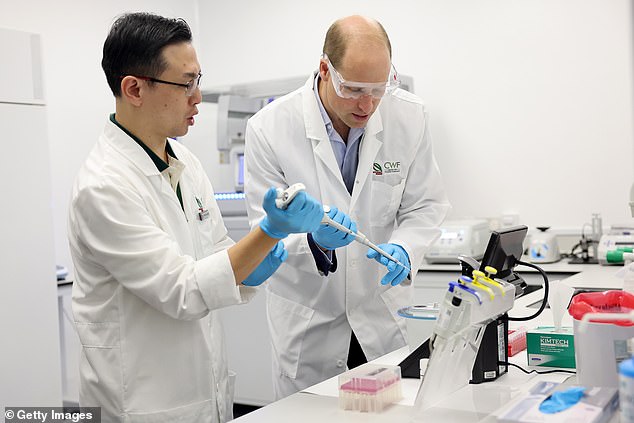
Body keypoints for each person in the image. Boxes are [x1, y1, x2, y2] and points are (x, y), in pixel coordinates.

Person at [67, 12, 324, 423]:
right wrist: (268, 230)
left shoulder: (183, 160)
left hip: (202, 392)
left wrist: (260, 260)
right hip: (140, 402)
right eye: (186, 83)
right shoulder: (103, 186)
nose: (198, 97)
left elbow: (217, 253)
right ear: (134, 88)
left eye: (198, 80)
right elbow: (182, 291)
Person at [244, 15, 451, 398]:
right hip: (310, 325)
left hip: (381, 318)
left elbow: (425, 204)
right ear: (325, 69)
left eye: (379, 88)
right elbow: (262, 239)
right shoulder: (269, 129)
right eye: (354, 88)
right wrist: (313, 242)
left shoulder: (408, 115)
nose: (367, 104)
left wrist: (406, 246)